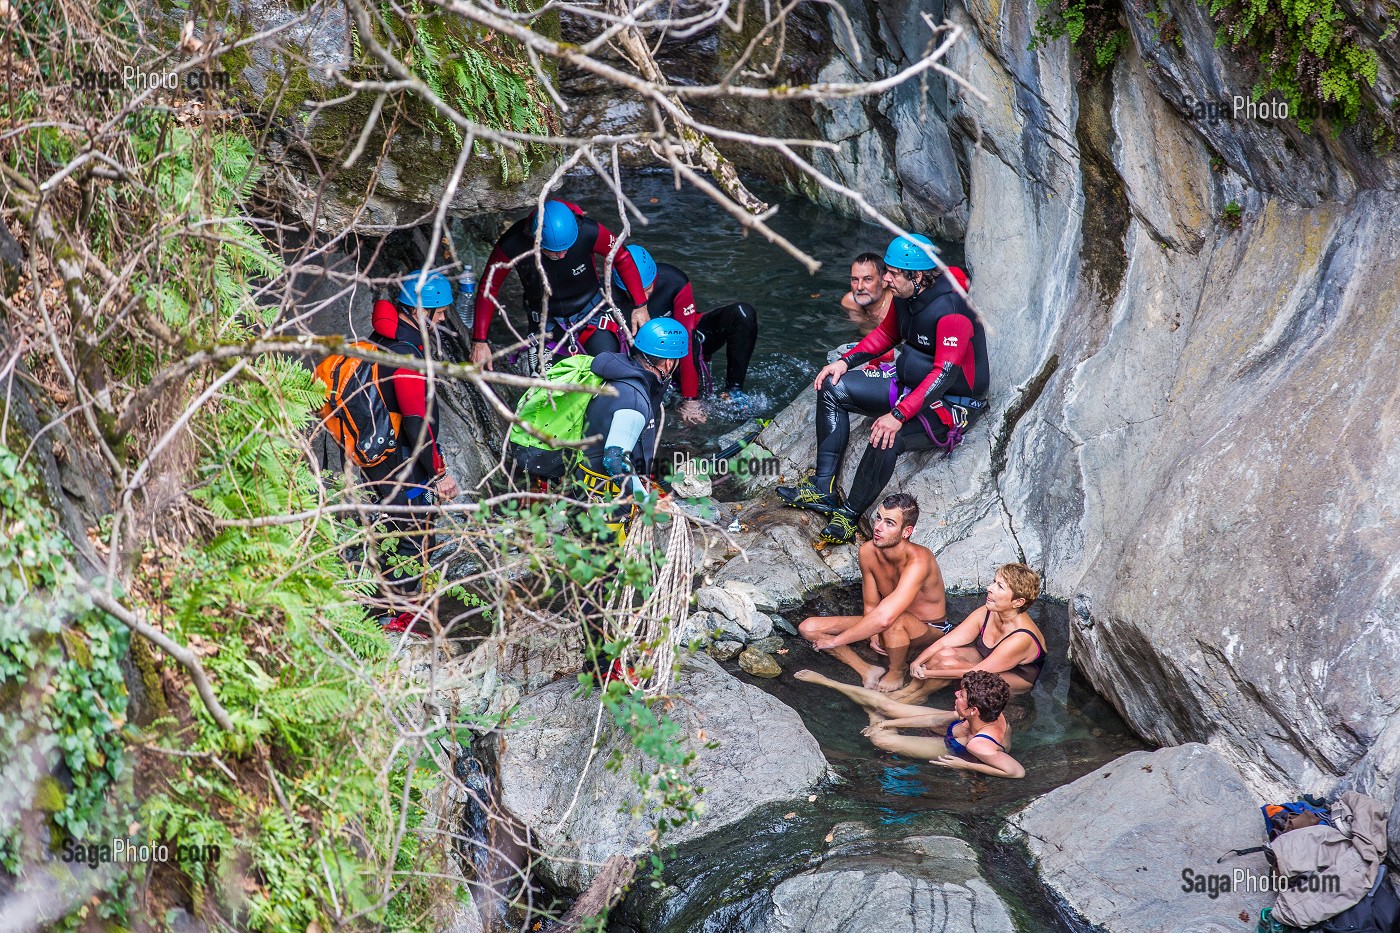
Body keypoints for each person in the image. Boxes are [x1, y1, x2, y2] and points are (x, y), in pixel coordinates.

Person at [777, 234, 989, 545]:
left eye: (891, 273)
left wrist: (898, 415)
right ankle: (822, 488)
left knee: (886, 435)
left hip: (951, 403)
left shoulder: (953, 309)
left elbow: (943, 375)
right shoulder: (907, 296)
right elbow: (886, 335)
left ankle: (848, 515)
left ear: (916, 276)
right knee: (833, 388)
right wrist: (845, 363)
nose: (885, 279)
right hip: (908, 386)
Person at [365, 271, 462, 635]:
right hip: (404, 459)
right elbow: (416, 421)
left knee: (400, 529)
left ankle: (388, 608)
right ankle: (394, 618)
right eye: (437, 313)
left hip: (385, 454)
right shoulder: (405, 354)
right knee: (413, 534)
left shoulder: (384, 339)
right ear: (417, 310)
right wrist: (439, 472)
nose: (442, 320)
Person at [470, 200, 651, 369]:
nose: (562, 255)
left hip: (592, 316)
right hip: (544, 323)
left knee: (610, 370)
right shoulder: (513, 243)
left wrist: (640, 305)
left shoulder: (588, 231)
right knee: (542, 391)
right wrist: (480, 340)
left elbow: (622, 256)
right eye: (555, 252)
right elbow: (489, 285)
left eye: (567, 248)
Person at [797, 494, 948, 692]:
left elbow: (887, 616)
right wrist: (873, 632)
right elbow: (871, 605)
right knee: (809, 627)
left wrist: (834, 641)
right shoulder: (867, 552)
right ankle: (867, 670)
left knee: (895, 619)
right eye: (878, 518)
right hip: (889, 622)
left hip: (929, 630)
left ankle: (897, 671)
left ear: (906, 531)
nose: (878, 527)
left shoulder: (920, 560)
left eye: (889, 523)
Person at [610, 245, 758, 425]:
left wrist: (691, 399)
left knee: (742, 315)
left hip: (681, 343)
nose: (644, 298)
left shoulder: (673, 281)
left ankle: (733, 391)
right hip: (641, 353)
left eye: (648, 289)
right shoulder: (608, 294)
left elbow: (687, 339)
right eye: (634, 292)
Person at [794, 668, 1024, 779]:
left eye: (961, 695)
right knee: (887, 707)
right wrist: (890, 721)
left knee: (879, 739)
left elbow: (1016, 772)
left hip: (957, 747)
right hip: (964, 726)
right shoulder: (985, 710)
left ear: (973, 709)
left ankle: (873, 717)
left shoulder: (979, 746)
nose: (956, 694)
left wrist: (966, 766)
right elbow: (934, 719)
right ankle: (830, 681)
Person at [891, 562, 1046, 704]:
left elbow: (976, 672)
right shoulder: (988, 612)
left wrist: (927, 672)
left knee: (948, 665)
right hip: (986, 660)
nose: (989, 588)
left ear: (1018, 602)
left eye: (1000, 586)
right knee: (944, 653)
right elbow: (945, 642)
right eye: (994, 582)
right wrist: (917, 662)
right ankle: (910, 689)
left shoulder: (1021, 638)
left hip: (1015, 677)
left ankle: (918, 696)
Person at [575, 317, 690, 497]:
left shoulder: (616, 372)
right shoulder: (634, 401)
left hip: (582, 482)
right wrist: (645, 503)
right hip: (606, 498)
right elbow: (614, 460)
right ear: (669, 363)